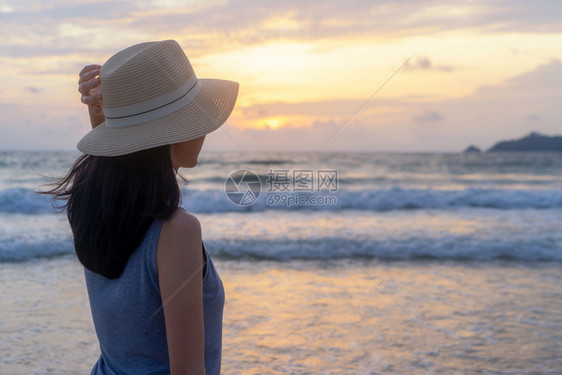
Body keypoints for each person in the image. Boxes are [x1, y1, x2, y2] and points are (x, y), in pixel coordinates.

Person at [47, 40, 239, 374]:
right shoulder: (178, 231)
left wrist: (111, 120)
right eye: (197, 118)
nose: (206, 129)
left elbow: (119, 166)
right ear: (174, 132)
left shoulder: (88, 207)